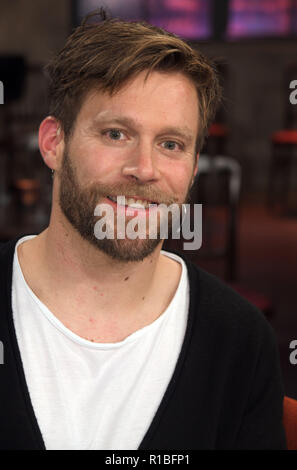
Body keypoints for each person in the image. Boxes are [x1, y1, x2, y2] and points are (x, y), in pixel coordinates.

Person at [0, 11, 286, 450]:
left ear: (193, 168)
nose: (144, 169)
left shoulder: (238, 340)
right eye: (116, 134)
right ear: (54, 143)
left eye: (171, 144)